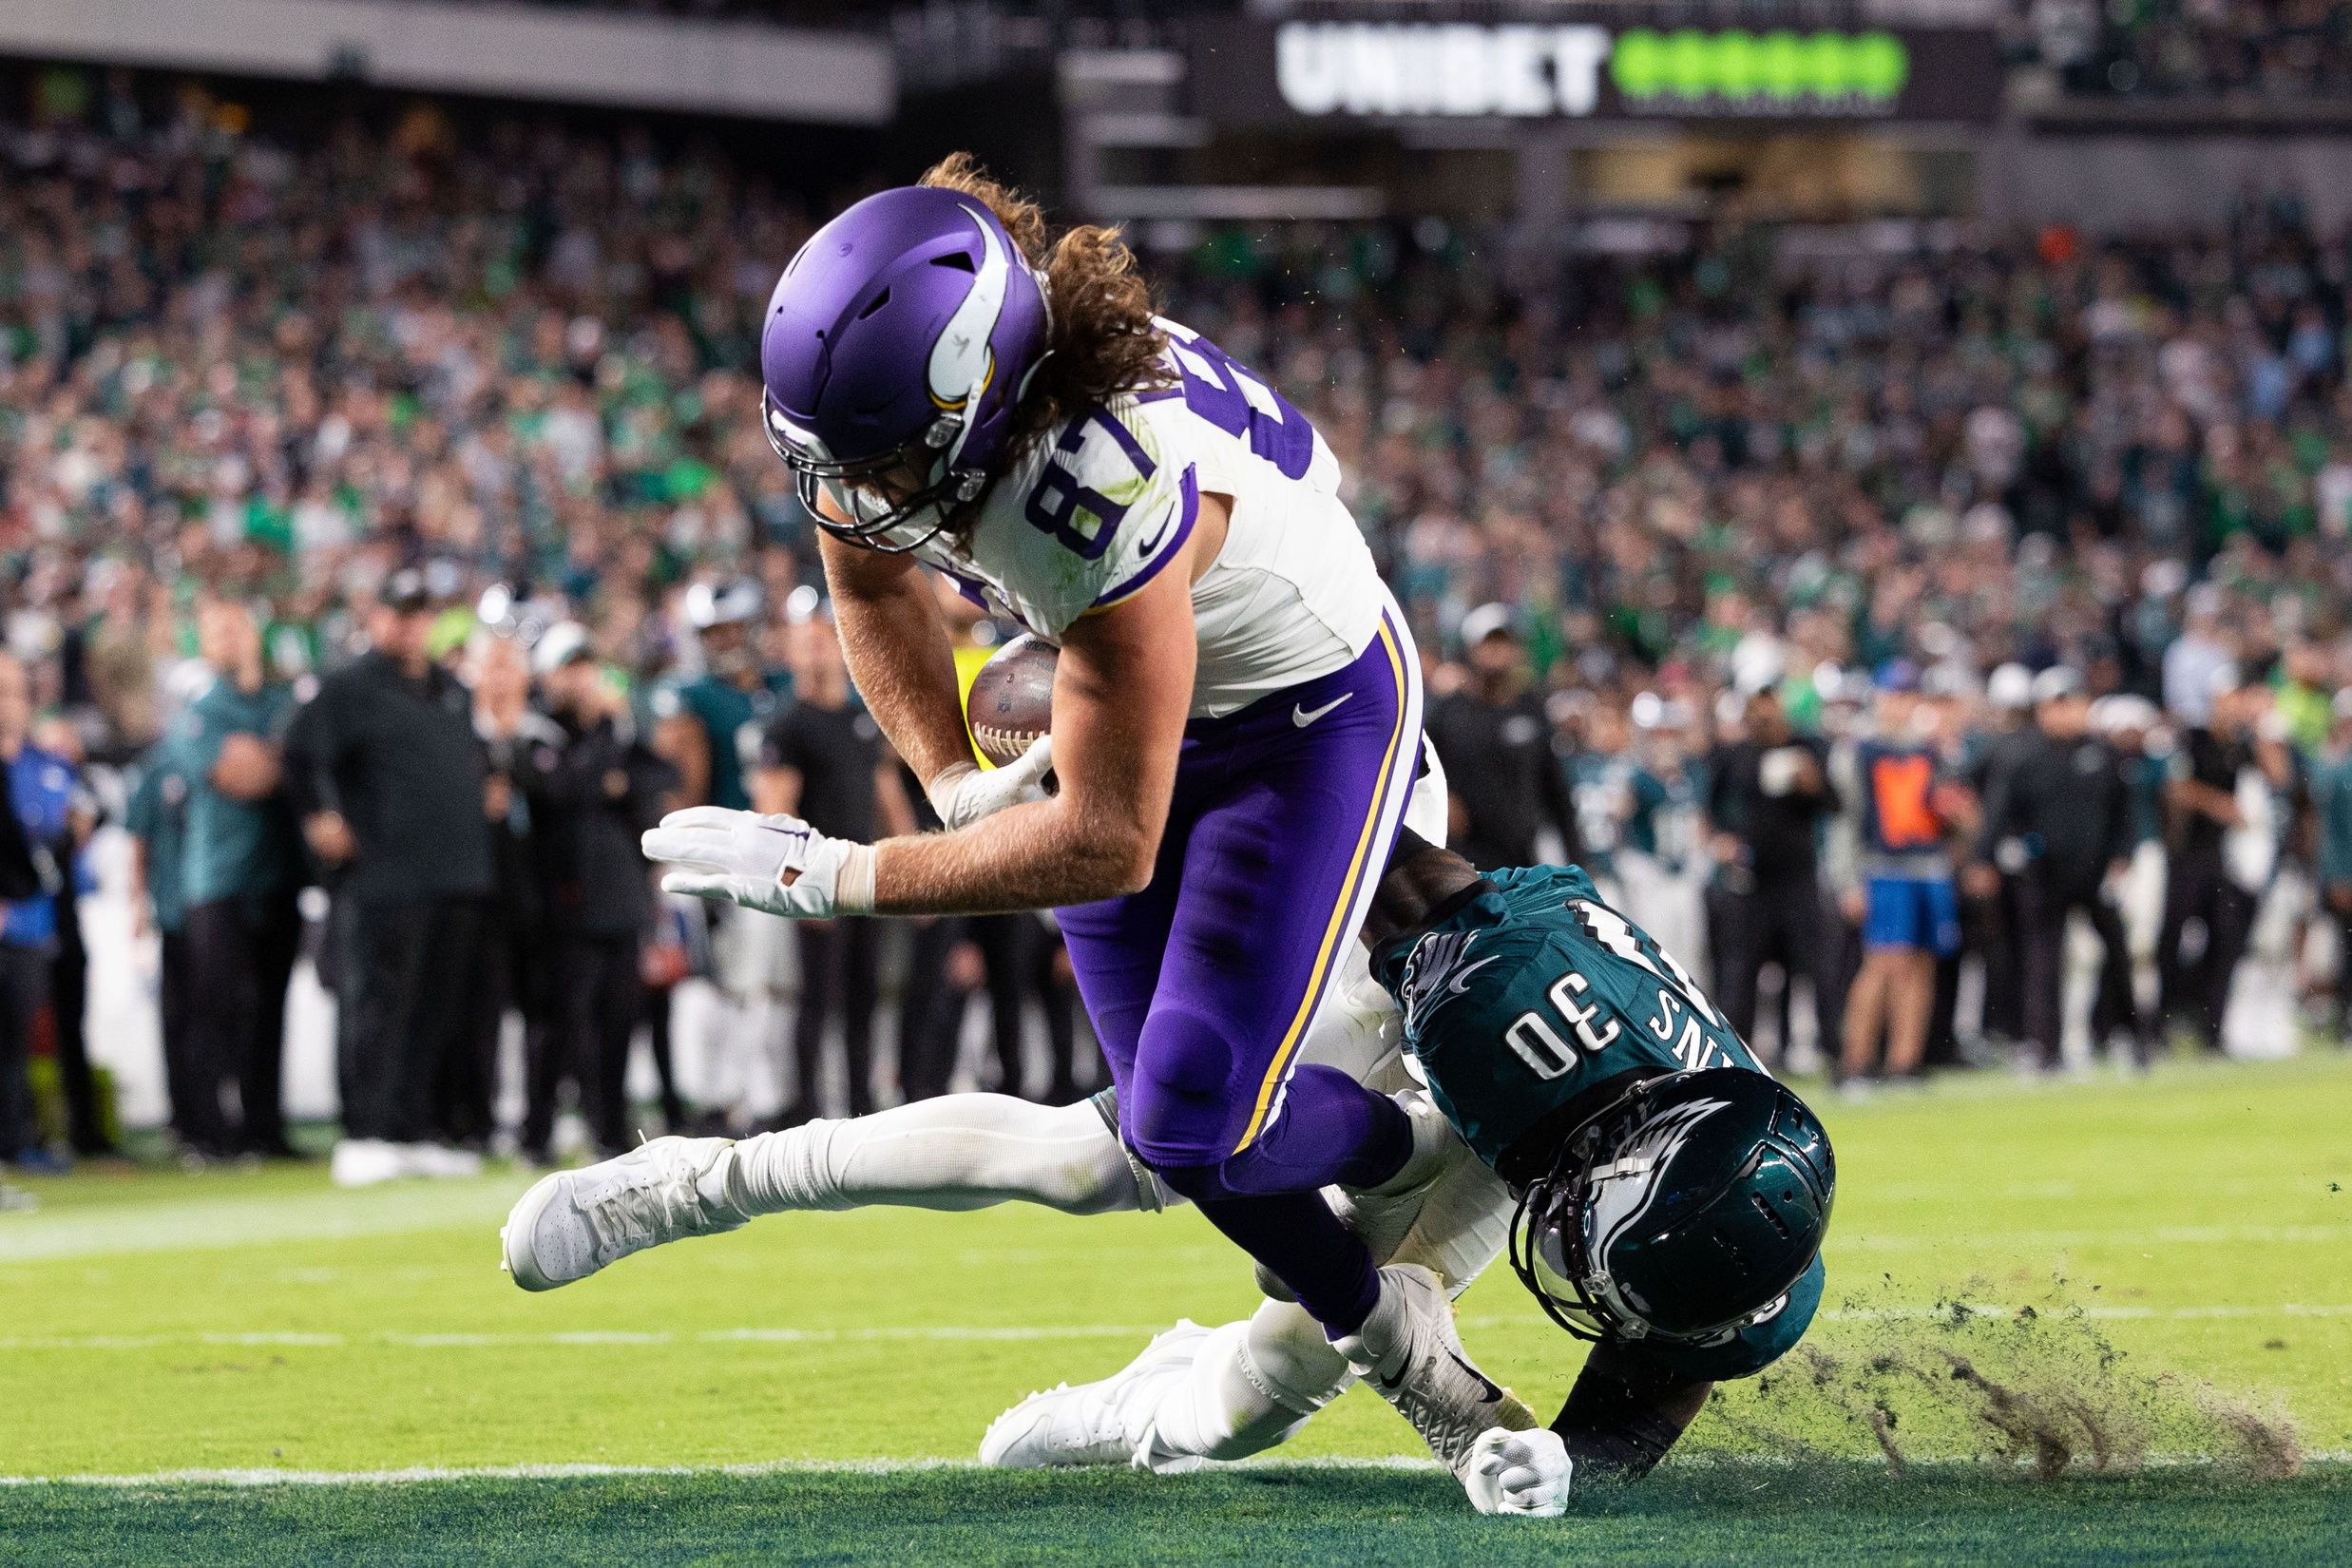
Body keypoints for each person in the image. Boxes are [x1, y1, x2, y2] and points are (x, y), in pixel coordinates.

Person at [641, 158, 1478, 1451]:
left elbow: (1105, 839)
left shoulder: (1101, 482)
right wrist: (950, 780)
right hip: (1137, 679)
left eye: (879, 461)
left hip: (1298, 720)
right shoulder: (925, 410)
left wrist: (838, 874)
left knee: (1192, 1128)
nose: (851, 496)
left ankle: (1390, 1264)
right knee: (1167, 1134)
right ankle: (1391, 1215)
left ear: (975, 405)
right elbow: (870, 597)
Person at [503, 830, 1832, 1513]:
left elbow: (1624, 1424)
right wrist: (1350, 1224)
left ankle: (1126, 1411)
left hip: (1511, 1137)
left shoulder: (1724, 1233)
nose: (1586, 1295)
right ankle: (695, 1179)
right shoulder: (1508, 988)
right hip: (1397, 1002)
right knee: (1108, 1153)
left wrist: (1551, 1463)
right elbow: (1371, 865)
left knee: (1270, 1387)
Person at [283, 569, 497, 1186]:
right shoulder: (348, 689)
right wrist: (320, 818)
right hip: (383, 878)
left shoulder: (452, 689)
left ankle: (417, 1128)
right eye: (398, 612)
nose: (409, 624)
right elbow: (300, 755)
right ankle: (367, 1132)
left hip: (456, 875)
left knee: (439, 1009)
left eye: (420, 612)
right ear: (376, 618)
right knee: (378, 1008)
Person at [519, 622, 679, 1157]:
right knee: (560, 1024)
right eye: (569, 667)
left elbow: (656, 782)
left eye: (585, 665)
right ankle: (537, 1132)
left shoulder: (619, 733)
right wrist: (607, 765)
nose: (581, 678)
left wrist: (611, 777)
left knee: (616, 1021)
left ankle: (609, 1131)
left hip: (621, 900)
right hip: (561, 905)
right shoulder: (537, 732)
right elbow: (565, 790)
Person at [752, 605, 913, 1123]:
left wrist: (917, 870)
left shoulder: (862, 722)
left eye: (826, 638)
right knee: (816, 1003)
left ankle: (865, 1112)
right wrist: (802, 884)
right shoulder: (787, 727)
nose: (818, 649)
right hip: (822, 884)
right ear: (792, 652)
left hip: (864, 878)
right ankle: (807, 1113)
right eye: (808, 641)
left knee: (866, 1000)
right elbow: (775, 808)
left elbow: (886, 800)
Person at [650, 577, 794, 1129]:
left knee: (766, 984)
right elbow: (679, 782)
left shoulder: (779, 686)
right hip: (712, 852)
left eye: (732, 627)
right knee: (715, 981)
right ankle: (717, 1095)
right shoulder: (688, 697)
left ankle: (759, 1095)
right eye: (714, 631)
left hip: (775, 853)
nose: (725, 640)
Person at [176, 600, 304, 1157]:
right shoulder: (203, 708)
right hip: (220, 881)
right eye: (216, 631)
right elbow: (239, 775)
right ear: (204, 645)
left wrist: (271, 761)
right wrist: (279, 763)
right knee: (218, 1010)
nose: (228, 640)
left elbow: (281, 767)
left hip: (276, 878)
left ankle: (264, 1128)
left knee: (271, 1007)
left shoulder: (281, 704)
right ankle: (210, 1132)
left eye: (236, 629)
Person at [1973, 669, 2140, 1070]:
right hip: (2041, 873)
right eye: (2058, 705)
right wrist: (1983, 859)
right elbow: (1998, 812)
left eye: (2074, 703)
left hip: (2096, 874)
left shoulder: (2104, 754)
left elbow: (2125, 812)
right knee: (2042, 960)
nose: (2066, 714)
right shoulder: (2022, 756)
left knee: (2117, 953)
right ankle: (2044, 1046)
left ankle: (2129, 1036)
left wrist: (2123, 855)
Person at [1834, 663, 1965, 1087]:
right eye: (1895, 695)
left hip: (1928, 865)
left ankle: (1904, 1061)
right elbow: (1847, 821)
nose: (1902, 704)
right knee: (1885, 963)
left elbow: (1950, 811)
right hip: (1884, 866)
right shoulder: (1862, 751)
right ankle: (1855, 1061)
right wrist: (1849, 880)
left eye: (1909, 696)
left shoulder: (1931, 750)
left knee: (1923, 964)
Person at [1705, 688, 1843, 1064]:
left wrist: (1811, 782)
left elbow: (1833, 803)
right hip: (1751, 883)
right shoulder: (1735, 757)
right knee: (1741, 977)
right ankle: (1736, 1060)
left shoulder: (1805, 750)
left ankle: (1838, 1054)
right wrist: (1721, 841)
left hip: (1798, 882)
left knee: (1817, 970)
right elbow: (1709, 807)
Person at [2157, 671, 2289, 1051]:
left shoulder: (2242, 742)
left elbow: (2279, 775)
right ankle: (2159, 1026)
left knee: (2226, 941)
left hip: (2224, 860)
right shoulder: (2193, 737)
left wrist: (2263, 725)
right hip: (2187, 854)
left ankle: (2212, 1029)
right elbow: (2176, 788)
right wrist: (2220, 806)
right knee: (2173, 936)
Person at [0, 654, 88, 1173]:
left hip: (42, 920)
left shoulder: (51, 763)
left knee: (26, 1040)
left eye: (13, 690)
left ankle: (26, 1137)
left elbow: (84, 814)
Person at [1424, 605, 1579, 872]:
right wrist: (1441, 798)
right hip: (1464, 858)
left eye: (1505, 642)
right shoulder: (1448, 714)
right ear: (1472, 648)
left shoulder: (1531, 710)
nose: (1498, 651)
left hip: (1525, 856)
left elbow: (1555, 789)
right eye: (1489, 642)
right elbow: (1418, 771)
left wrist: (1577, 857)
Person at [124, 736, 201, 1157]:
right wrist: (138, 905)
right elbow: (139, 837)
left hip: (224, 908)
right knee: (180, 1021)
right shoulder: (158, 766)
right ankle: (186, 1121)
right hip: (175, 909)